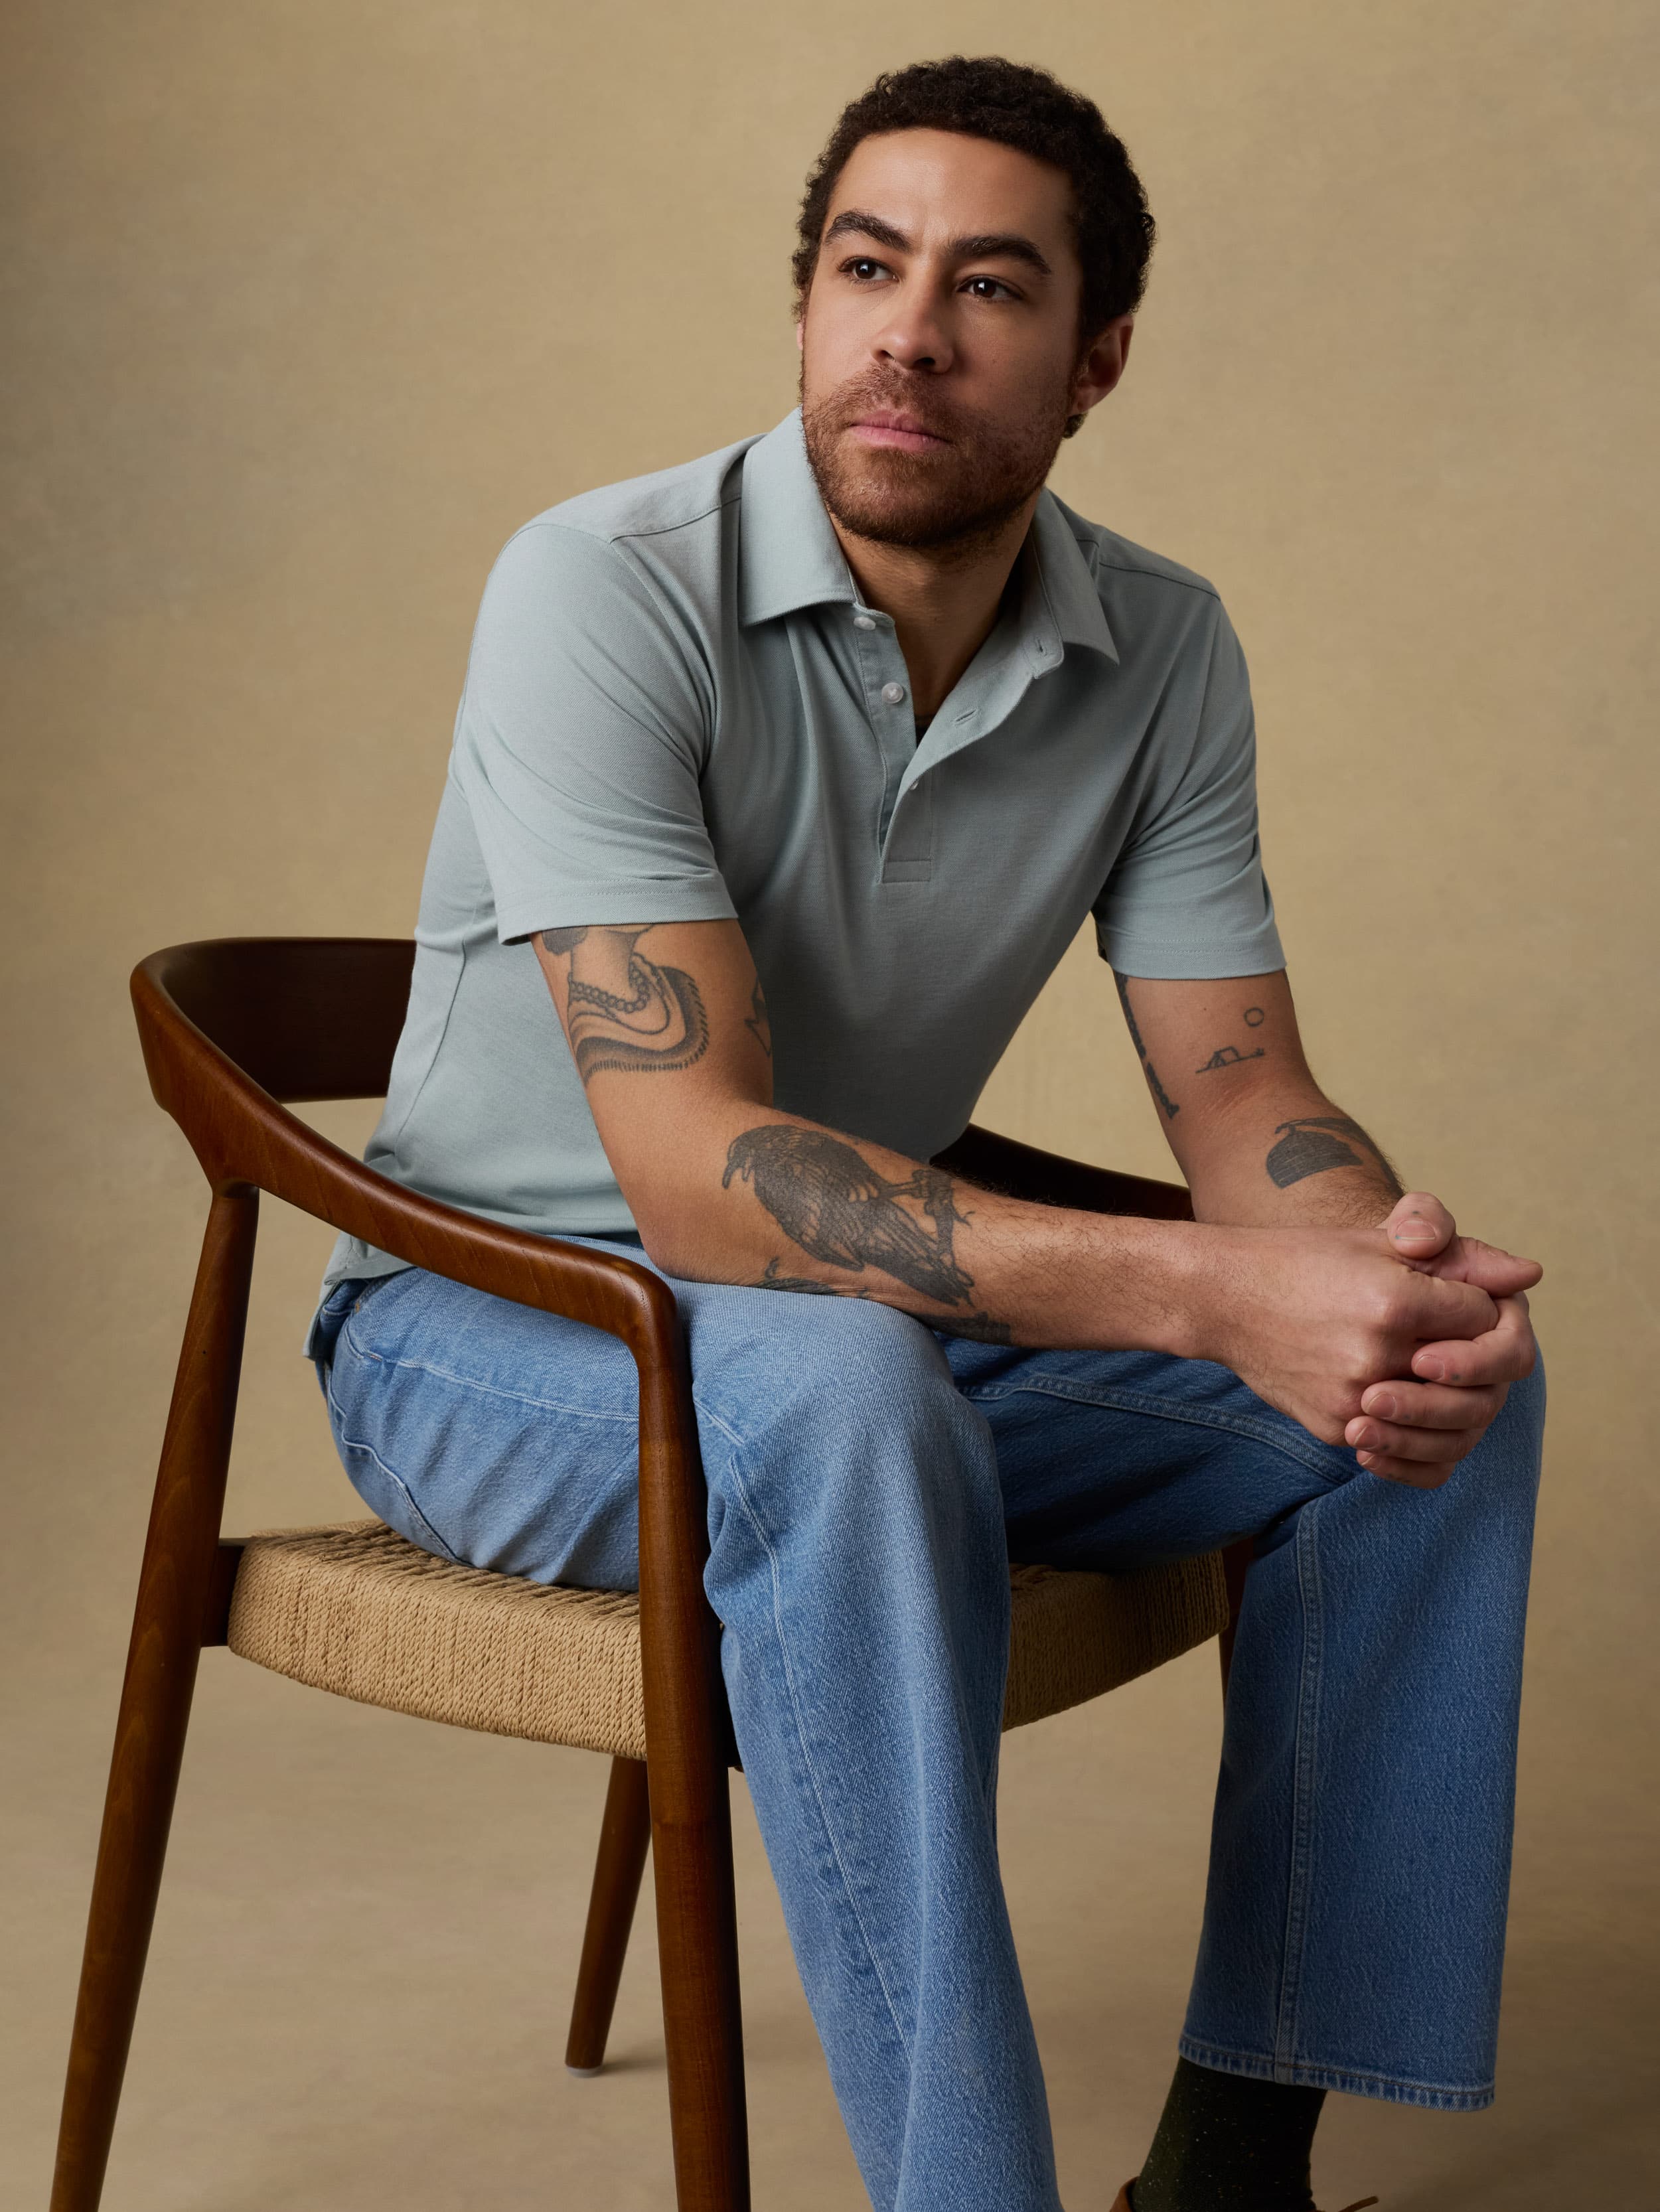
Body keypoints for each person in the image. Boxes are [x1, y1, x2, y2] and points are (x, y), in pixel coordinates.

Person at [306, 56, 1543, 2212]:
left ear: (1095, 361)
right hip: (494, 1329)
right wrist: (1204, 1289)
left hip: (856, 1330)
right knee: (852, 1397)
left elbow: (1242, 1093)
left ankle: (1234, 2167)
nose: (912, 328)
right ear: (804, 304)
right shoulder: (598, 587)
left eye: (990, 286)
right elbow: (700, 1173)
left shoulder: (1161, 648)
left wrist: (1368, 1269)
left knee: (1438, 1396)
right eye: (867, 268)